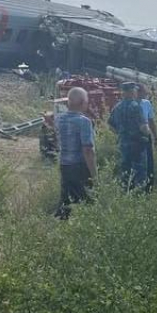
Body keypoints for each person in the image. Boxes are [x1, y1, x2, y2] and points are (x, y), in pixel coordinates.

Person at [54, 87, 97, 219]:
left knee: (67, 200)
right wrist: (94, 174)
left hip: (64, 165)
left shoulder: (59, 119)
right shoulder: (84, 122)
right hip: (79, 166)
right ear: (83, 102)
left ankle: (61, 226)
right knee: (87, 201)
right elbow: (87, 150)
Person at [108, 82, 150, 190]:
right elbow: (143, 128)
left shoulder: (117, 107)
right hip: (137, 144)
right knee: (139, 170)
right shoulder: (136, 106)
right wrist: (150, 135)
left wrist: (120, 133)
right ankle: (139, 194)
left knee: (125, 170)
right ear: (132, 91)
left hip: (123, 143)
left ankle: (125, 192)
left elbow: (110, 125)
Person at [137, 84, 157, 192]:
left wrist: (156, 138)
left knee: (149, 163)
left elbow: (151, 121)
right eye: (143, 93)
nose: (145, 95)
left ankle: (148, 188)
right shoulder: (130, 105)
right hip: (134, 138)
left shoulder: (146, 104)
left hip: (146, 136)